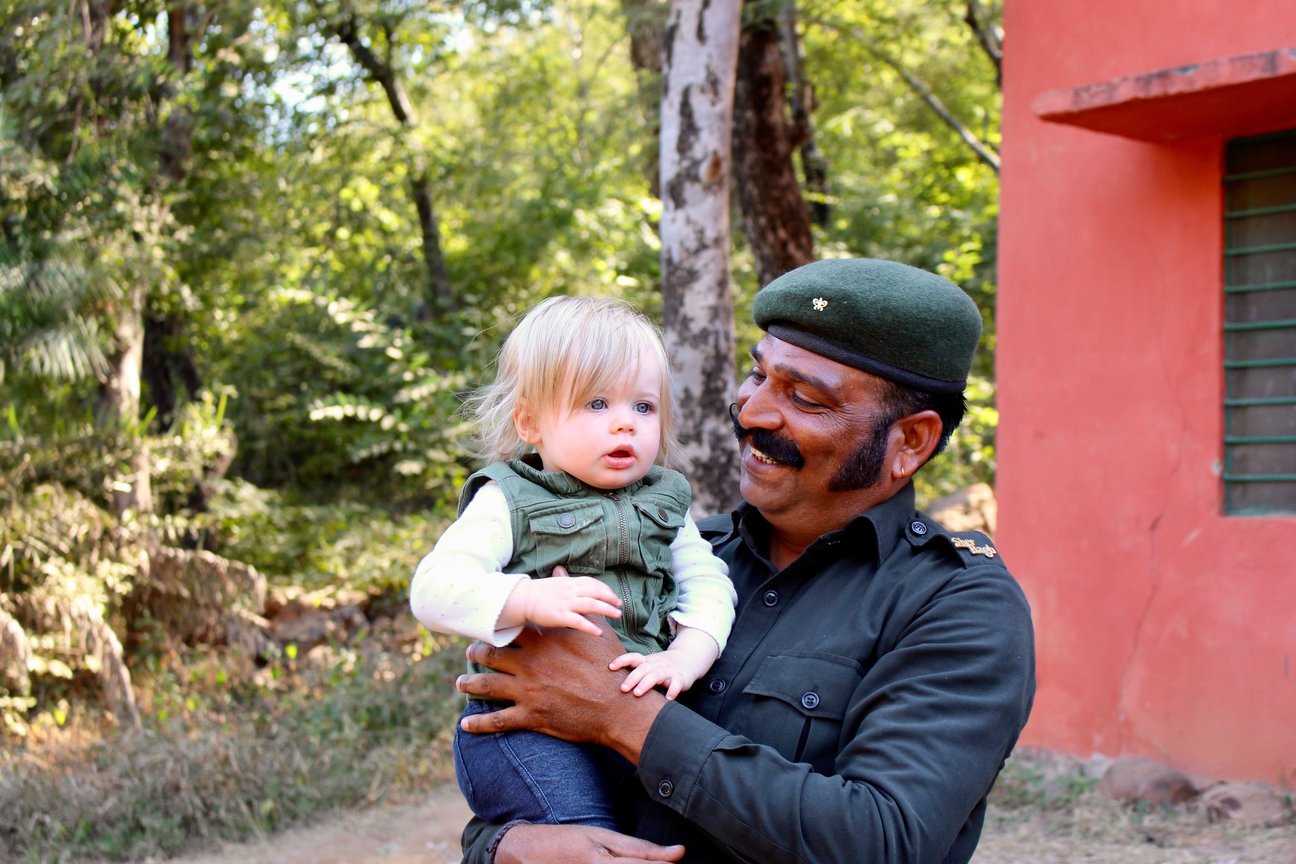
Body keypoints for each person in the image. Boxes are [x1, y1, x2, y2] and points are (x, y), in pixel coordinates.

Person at [454, 258, 1037, 864]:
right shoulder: (674, 556)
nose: (753, 412)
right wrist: (508, 847)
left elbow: (883, 842)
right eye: (757, 375)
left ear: (909, 442)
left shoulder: (959, 608)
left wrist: (623, 717)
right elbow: (517, 779)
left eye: (805, 397)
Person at [409, 295, 737, 831]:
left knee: (682, 831)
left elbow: (709, 586)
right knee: (579, 832)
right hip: (527, 729)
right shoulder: (509, 497)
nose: (625, 425)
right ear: (530, 422)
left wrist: (685, 658)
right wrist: (526, 598)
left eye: (644, 407)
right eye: (596, 404)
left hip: (635, 719)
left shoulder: (667, 501)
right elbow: (433, 588)